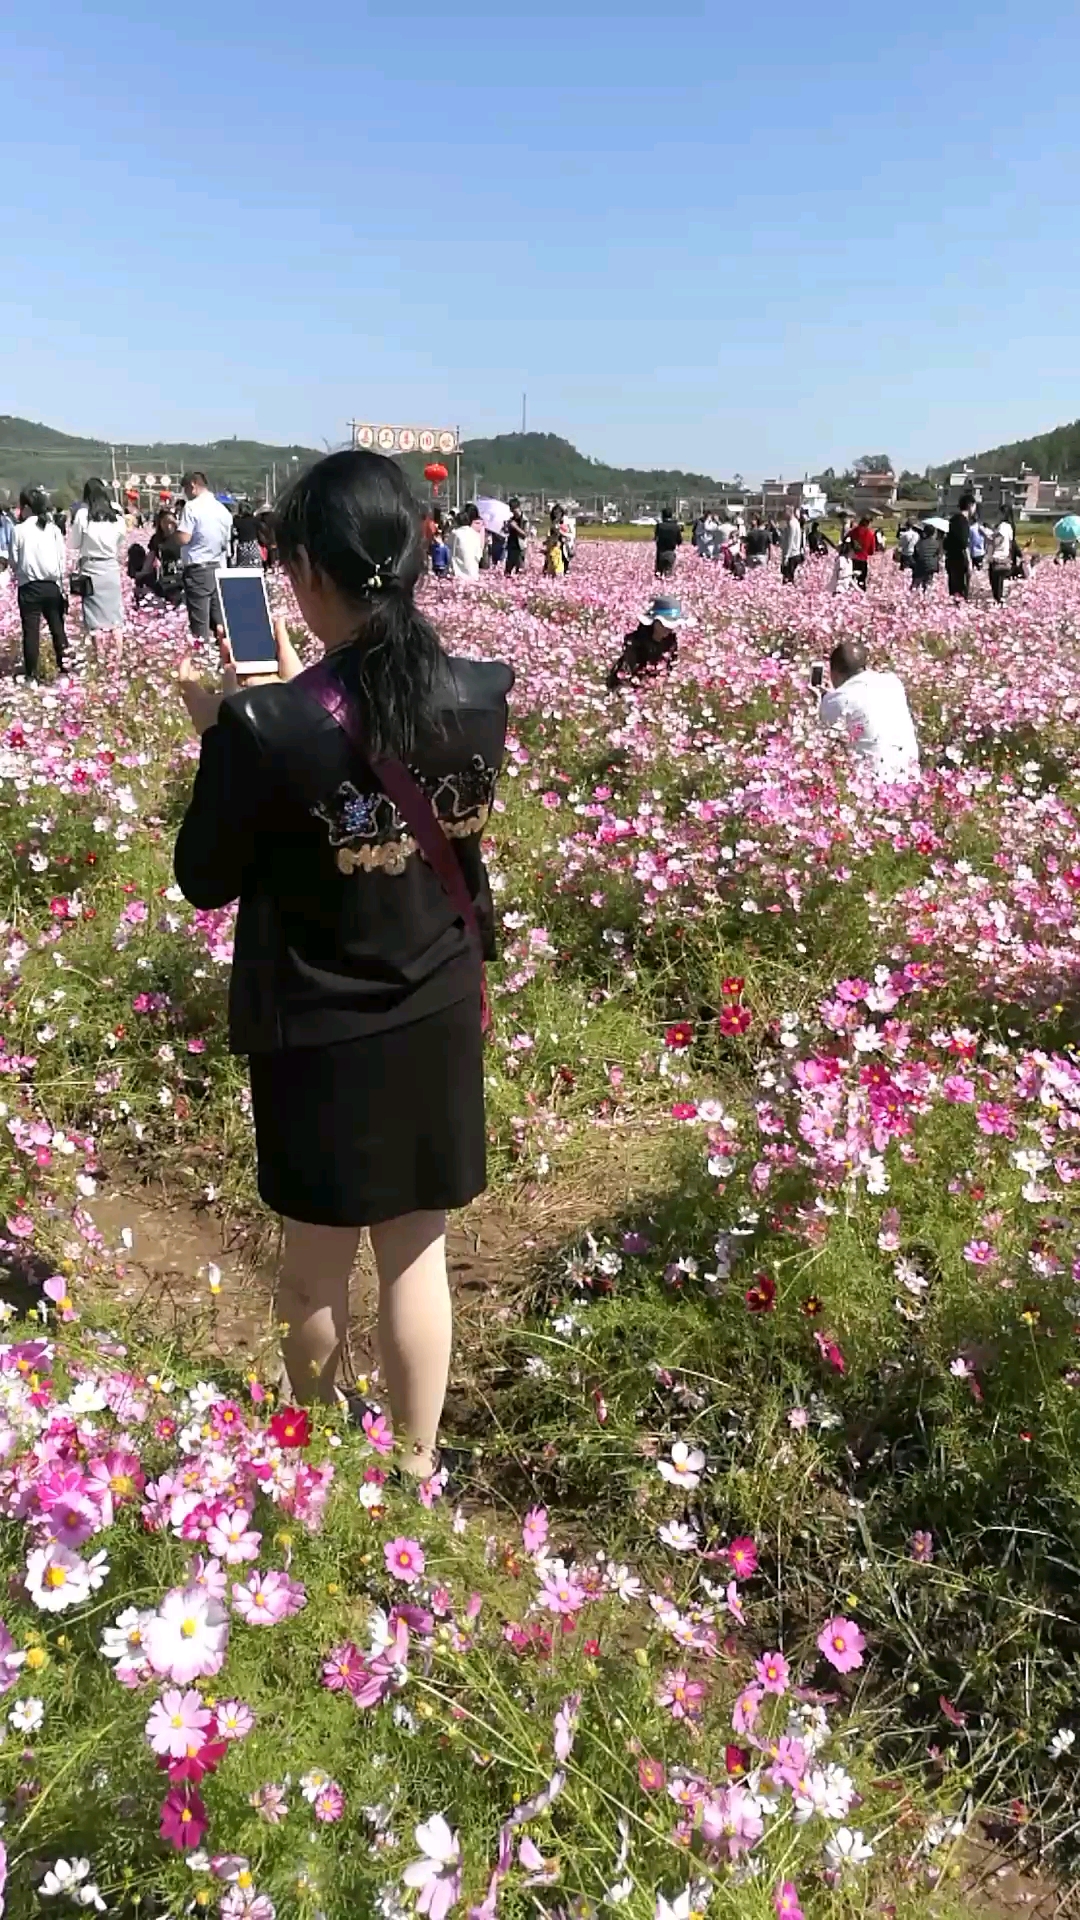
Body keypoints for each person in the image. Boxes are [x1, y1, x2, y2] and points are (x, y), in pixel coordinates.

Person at [173, 449, 514, 1477]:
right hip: (437, 1004)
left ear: (313, 574)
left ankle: (317, 1467)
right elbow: (424, 806)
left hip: (317, 1028)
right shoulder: (480, 692)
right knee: (417, 1256)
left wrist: (221, 734)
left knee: (314, 1270)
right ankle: (413, 1473)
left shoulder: (265, 726)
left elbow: (205, 876)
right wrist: (272, 714)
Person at [817, 638, 919, 781]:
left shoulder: (838, 700)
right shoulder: (893, 682)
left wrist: (823, 700)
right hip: (909, 777)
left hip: (871, 783)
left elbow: (821, 731)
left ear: (834, 674)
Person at [11, 488, 68, 680]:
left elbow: (13, 559)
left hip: (29, 587)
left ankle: (32, 677)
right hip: (52, 585)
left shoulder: (19, 530)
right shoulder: (52, 529)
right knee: (58, 629)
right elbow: (62, 558)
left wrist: (20, 573)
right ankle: (65, 670)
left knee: (31, 632)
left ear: (26, 507)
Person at [177, 473, 233, 643]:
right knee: (219, 618)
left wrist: (173, 535)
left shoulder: (192, 507)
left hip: (198, 568)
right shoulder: (221, 509)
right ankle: (226, 653)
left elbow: (184, 538)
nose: (185, 493)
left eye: (186, 489)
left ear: (193, 485)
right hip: (217, 566)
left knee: (200, 621)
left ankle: (202, 657)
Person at [71, 478, 125, 644]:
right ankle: (116, 662)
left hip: (91, 569)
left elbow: (74, 543)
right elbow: (121, 539)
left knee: (95, 621)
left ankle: (100, 661)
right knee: (115, 620)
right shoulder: (116, 514)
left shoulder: (83, 514)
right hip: (111, 568)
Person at [606, 595, 692, 688]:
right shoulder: (635, 641)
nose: (668, 629)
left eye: (671, 626)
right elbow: (631, 669)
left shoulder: (670, 642)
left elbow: (669, 666)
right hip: (628, 687)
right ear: (655, 622)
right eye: (665, 624)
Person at [945, 491, 976, 599]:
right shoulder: (963, 522)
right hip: (960, 560)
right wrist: (969, 562)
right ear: (970, 506)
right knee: (962, 591)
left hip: (951, 559)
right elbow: (964, 543)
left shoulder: (953, 520)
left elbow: (946, 542)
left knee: (954, 591)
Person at [449, 505, 485, 580]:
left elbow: (450, 548)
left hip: (459, 572)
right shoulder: (475, 533)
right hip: (473, 572)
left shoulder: (455, 533)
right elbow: (480, 550)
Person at [989, 514, 1014, 604]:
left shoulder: (1002, 527)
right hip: (1005, 557)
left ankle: (998, 601)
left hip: (997, 558)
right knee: (1000, 582)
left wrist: (991, 537)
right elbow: (1011, 543)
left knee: (996, 583)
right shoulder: (1009, 527)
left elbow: (997, 541)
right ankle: (1000, 600)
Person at [911, 524, 942, 592]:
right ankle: (926, 594)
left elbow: (915, 555)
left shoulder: (919, 543)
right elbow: (939, 555)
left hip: (920, 565)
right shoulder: (937, 543)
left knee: (915, 584)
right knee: (928, 583)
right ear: (934, 533)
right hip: (931, 566)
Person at [849, 515, 876, 591]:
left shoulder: (853, 532)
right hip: (862, 561)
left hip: (852, 561)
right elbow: (871, 552)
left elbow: (846, 542)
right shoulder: (870, 534)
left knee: (851, 583)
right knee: (861, 582)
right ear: (868, 523)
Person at [231, 503, 263, 568]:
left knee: (243, 567)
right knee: (255, 567)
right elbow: (261, 531)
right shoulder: (255, 520)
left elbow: (234, 534)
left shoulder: (237, 521)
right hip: (253, 546)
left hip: (242, 547)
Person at [779, 504, 804, 584]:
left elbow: (789, 540)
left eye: (784, 512)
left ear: (789, 512)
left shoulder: (791, 523)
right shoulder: (796, 522)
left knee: (788, 579)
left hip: (791, 555)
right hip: (796, 553)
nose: (783, 515)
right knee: (791, 578)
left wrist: (785, 557)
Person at [505, 499, 528, 576]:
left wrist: (515, 527)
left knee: (520, 569)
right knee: (508, 570)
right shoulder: (512, 519)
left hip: (520, 547)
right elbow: (507, 532)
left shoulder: (524, 520)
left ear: (518, 508)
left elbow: (525, 534)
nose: (512, 511)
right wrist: (506, 527)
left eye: (513, 509)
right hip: (511, 546)